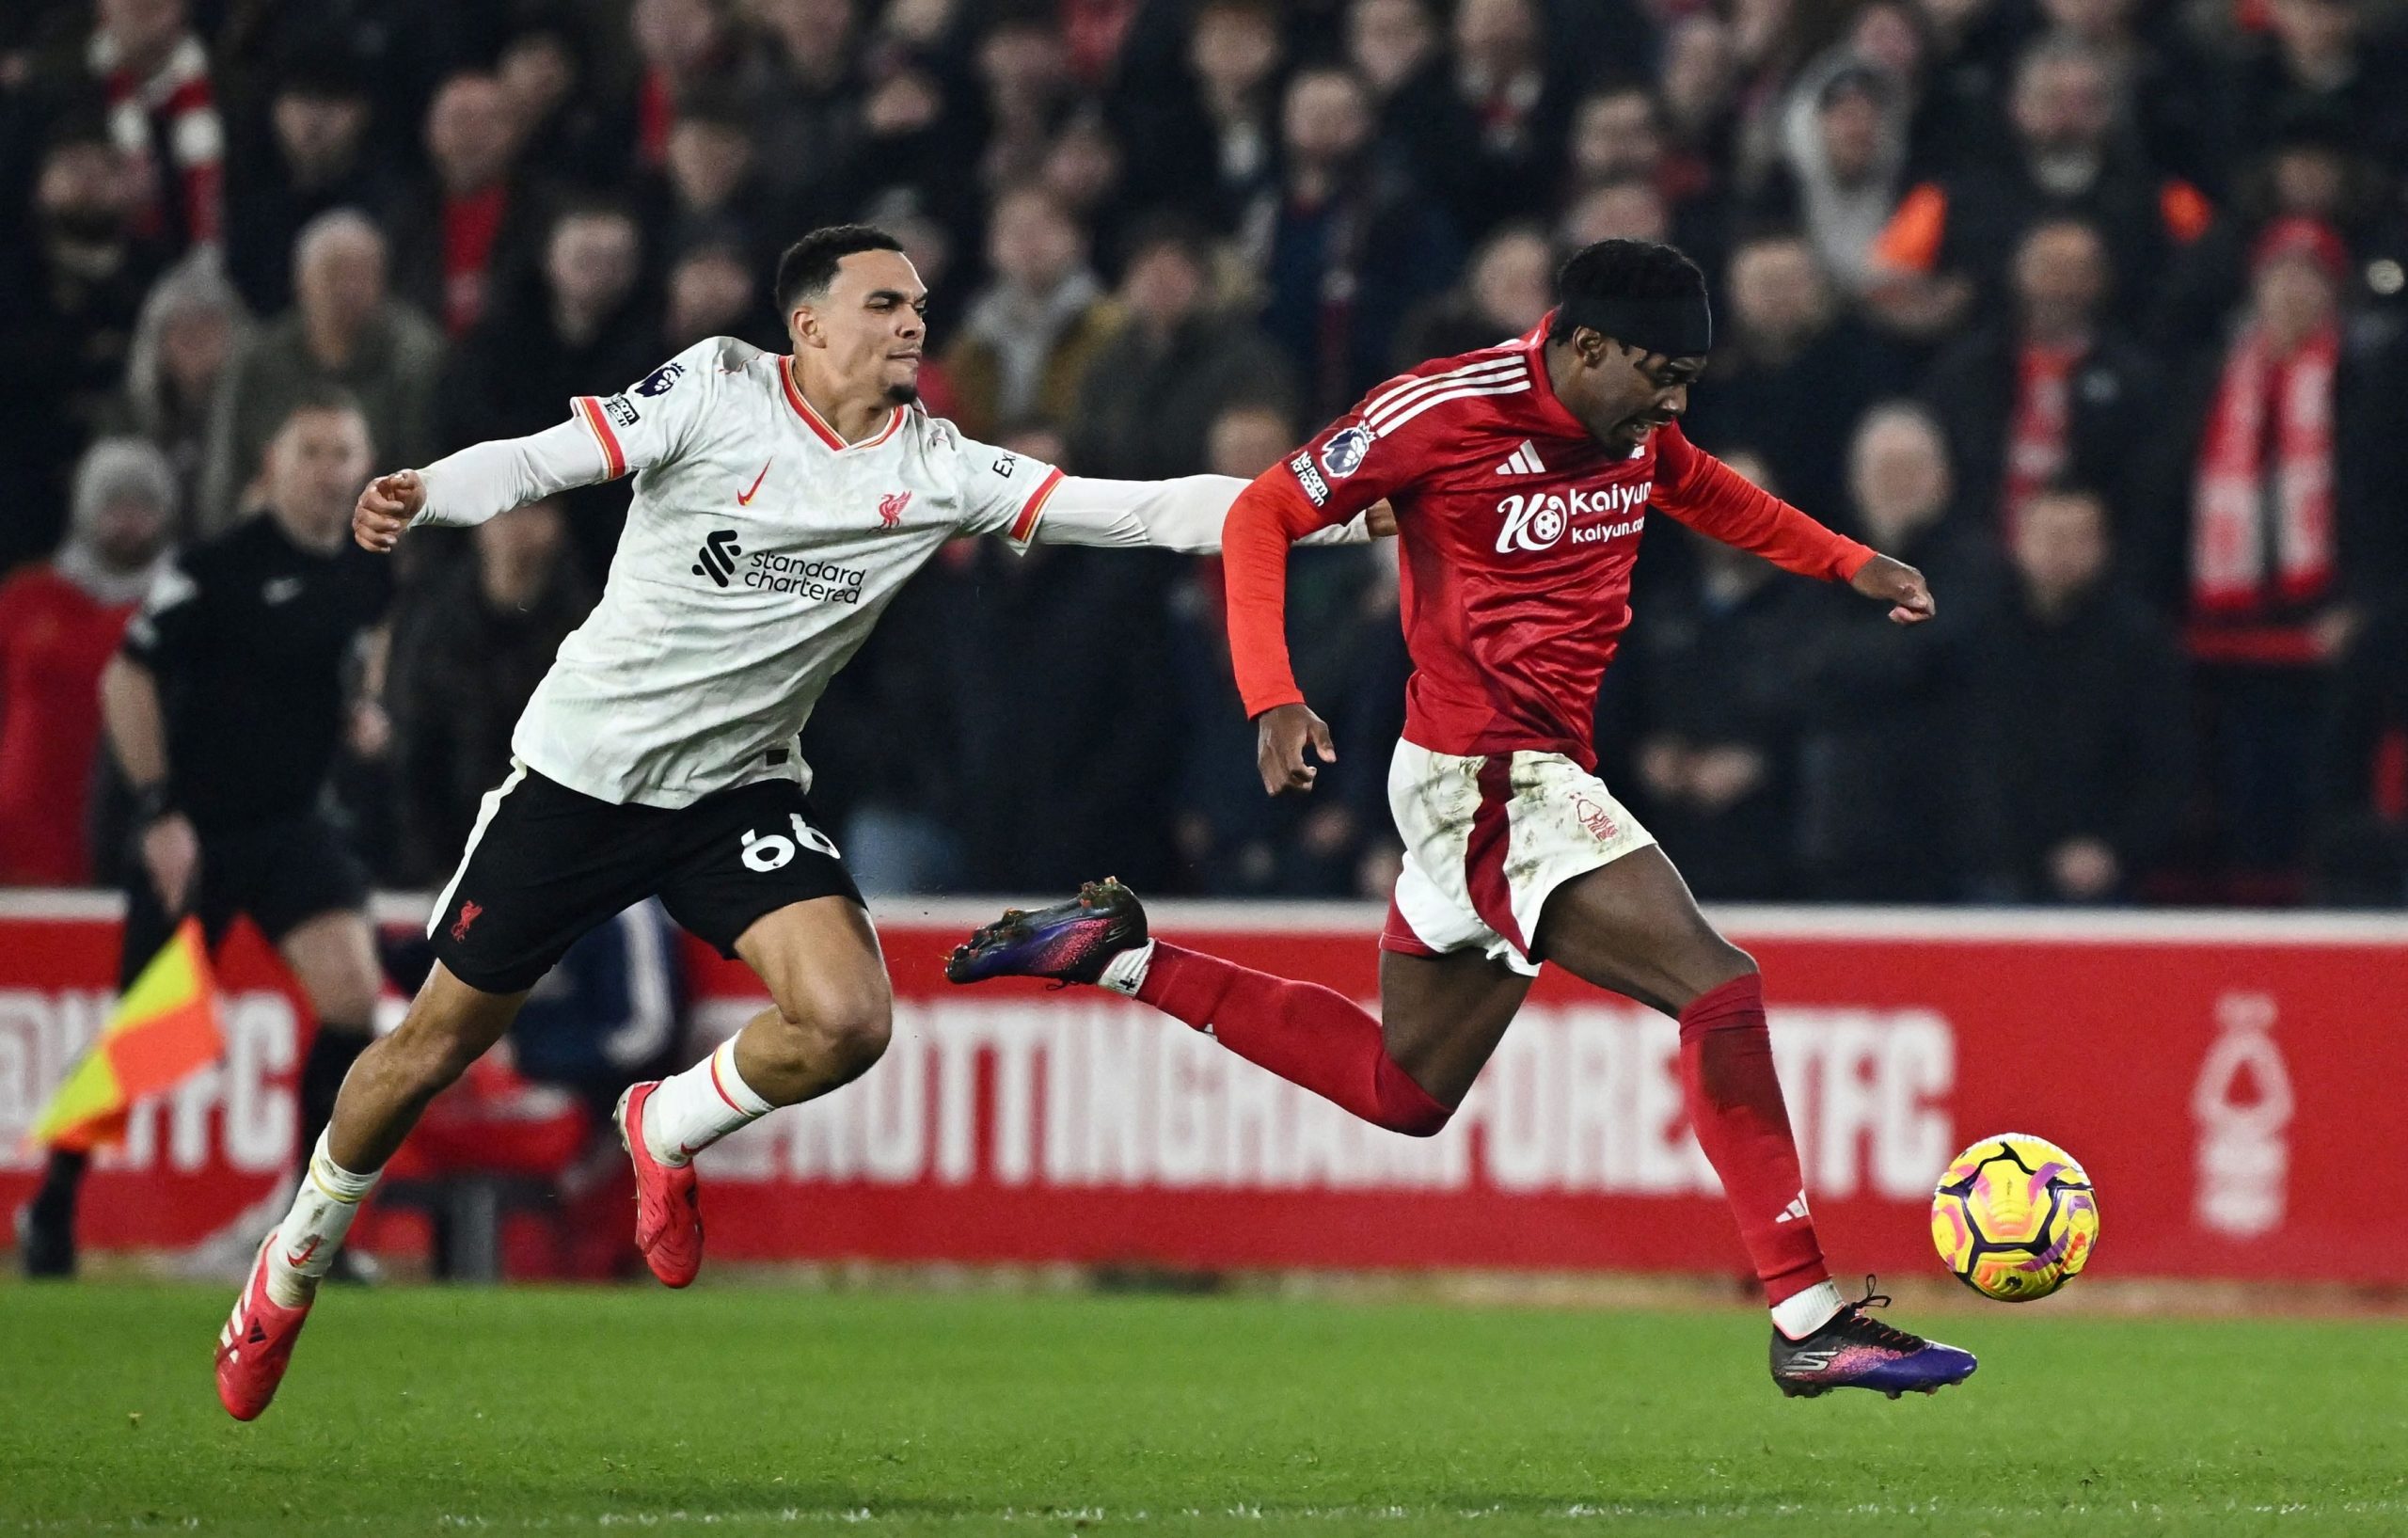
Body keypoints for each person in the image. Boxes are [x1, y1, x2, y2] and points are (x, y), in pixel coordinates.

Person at [211, 225, 1386, 1420]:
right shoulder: (714, 391)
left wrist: (1330, 511)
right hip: (580, 779)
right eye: (884, 304)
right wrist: (429, 494)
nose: (913, 323)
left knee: (848, 1018)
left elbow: (1140, 511)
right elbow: (544, 460)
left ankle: (664, 1120)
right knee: (428, 1052)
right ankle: (292, 1261)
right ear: (809, 327)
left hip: (734, 792)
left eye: (921, 304)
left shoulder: (938, 467)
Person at [948, 239, 1977, 1400]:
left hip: (1510, 779)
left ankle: (1121, 956)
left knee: (1404, 1089)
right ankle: (1807, 1314)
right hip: (1489, 775)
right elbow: (1261, 517)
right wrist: (1271, 694)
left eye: (1689, 379)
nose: (1674, 403)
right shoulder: (1440, 412)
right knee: (1717, 984)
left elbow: (1697, 485)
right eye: (1658, 375)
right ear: (1582, 347)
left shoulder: (1630, 431)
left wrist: (1847, 564)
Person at [19, 391, 391, 1280]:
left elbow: (362, 650)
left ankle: (309, 1229)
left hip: (292, 826)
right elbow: (128, 681)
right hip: (198, 832)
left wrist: (362, 712)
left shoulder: (369, 567)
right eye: (313, 451)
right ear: (273, 465)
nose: (332, 470)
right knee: (153, 1034)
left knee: (352, 999)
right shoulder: (216, 567)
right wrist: (158, 812)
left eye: (346, 452)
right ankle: (54, 1202)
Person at [0, 439, 176, 889]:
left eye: (144, 505)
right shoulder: (25, 598)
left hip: (142, 833)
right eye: (114, 504)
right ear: (84, 509)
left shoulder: (186, 608)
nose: (129, 521)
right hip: (28, 832)